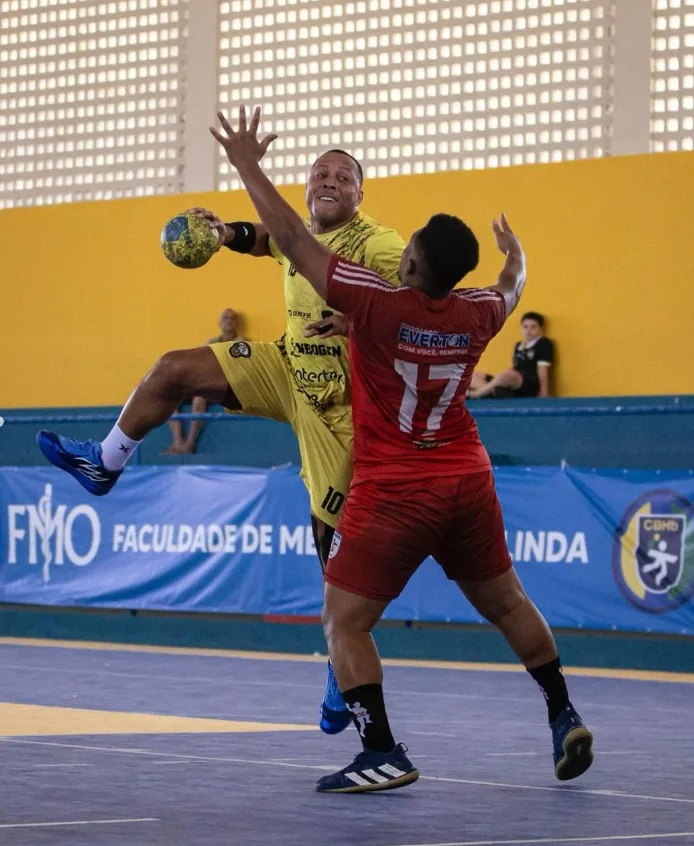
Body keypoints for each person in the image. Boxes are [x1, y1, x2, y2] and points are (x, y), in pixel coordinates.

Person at [209, 105, 594, 794]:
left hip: (396, 488)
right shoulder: (477, 311)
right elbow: (513, 285)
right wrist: (515, 253)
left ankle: (381, 748)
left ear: (408, 260)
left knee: (344, 621)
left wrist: (245, 161)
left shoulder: (376, 304)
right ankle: (563, 711)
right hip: (466, 479)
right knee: (507, 602)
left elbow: (292, 237)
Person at [36, 144, 404, 736]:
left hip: (344, 409)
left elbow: (427, 295)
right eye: (320, 173)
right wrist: (227, 231)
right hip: (288, 369)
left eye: (344, 176)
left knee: (331, 553)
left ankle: (342, 660)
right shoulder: (299, 234)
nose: (330, 180)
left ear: (362, 194)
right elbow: (270, 241)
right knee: (172, 370)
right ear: (308, 187)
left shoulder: (377, 244)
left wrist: (364, 321)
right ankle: (104, 463)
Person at [164, 308, 244, 455]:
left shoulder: (241, 344)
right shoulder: (211, 342)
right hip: (205, 381)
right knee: (170, 397)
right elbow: (199, 363)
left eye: (233, 318)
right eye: (225, 318)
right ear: (220, 322)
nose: (229, 321)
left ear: (237, 323)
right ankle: (178, 442)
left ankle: (190, 444)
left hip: (225, 386)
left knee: (199, 398)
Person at [468, 311, 554, 399]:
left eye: (533, 327)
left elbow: (543, 371)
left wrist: (544, 394)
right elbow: (516, 366)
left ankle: (476, 394)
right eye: (525, 327)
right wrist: (499, 378)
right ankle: (491, 392)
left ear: (540, 328)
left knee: (508, 374)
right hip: (513, 381)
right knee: (472, 375)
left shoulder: (543, 343)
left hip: (528, 383)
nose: (528, 331)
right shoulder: (519, 345)